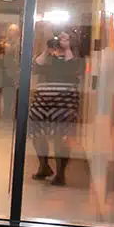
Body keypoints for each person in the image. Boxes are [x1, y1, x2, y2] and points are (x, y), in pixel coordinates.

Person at [29, 30, 83, 186]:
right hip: (42, 101)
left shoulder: (74, 57)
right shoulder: (48, 56)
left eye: (64, 38)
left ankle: (60, 174)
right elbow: (35, 67)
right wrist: (47, 50)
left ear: (72, 41)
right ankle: (43, 166)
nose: (60, 41)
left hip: (64, 102)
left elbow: (72, 69)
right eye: (58, 38)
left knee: (61, 136)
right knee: (37, 133)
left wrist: (67, 49)